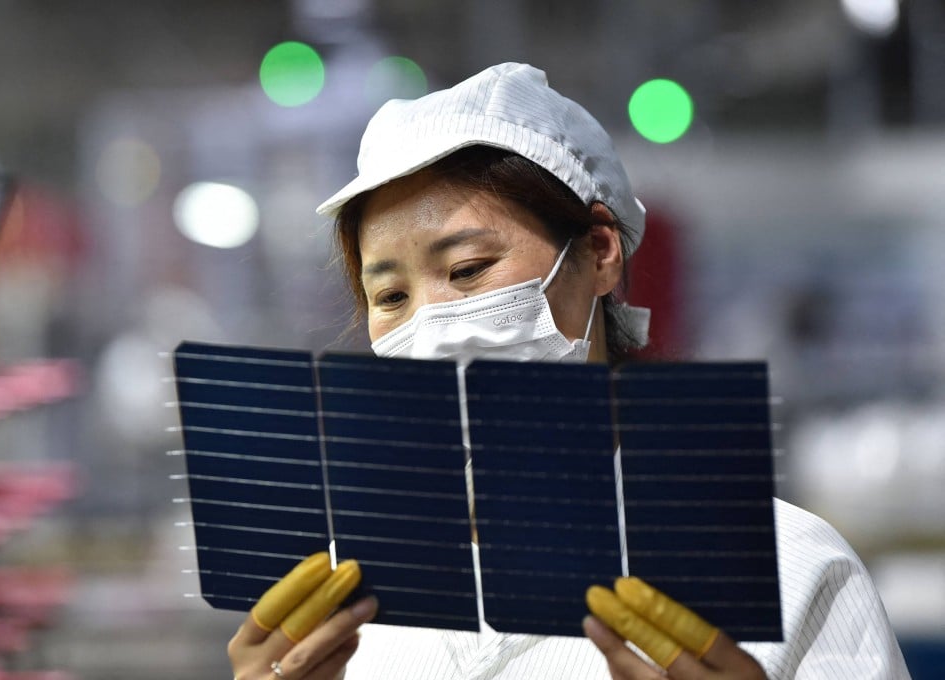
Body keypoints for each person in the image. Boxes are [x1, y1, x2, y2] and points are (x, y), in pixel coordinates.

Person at [227, 63, 910, 679]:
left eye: (467, 270)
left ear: (600, 250)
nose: (429, 325)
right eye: (391, 297)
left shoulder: (786, 570)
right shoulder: (337, 607)